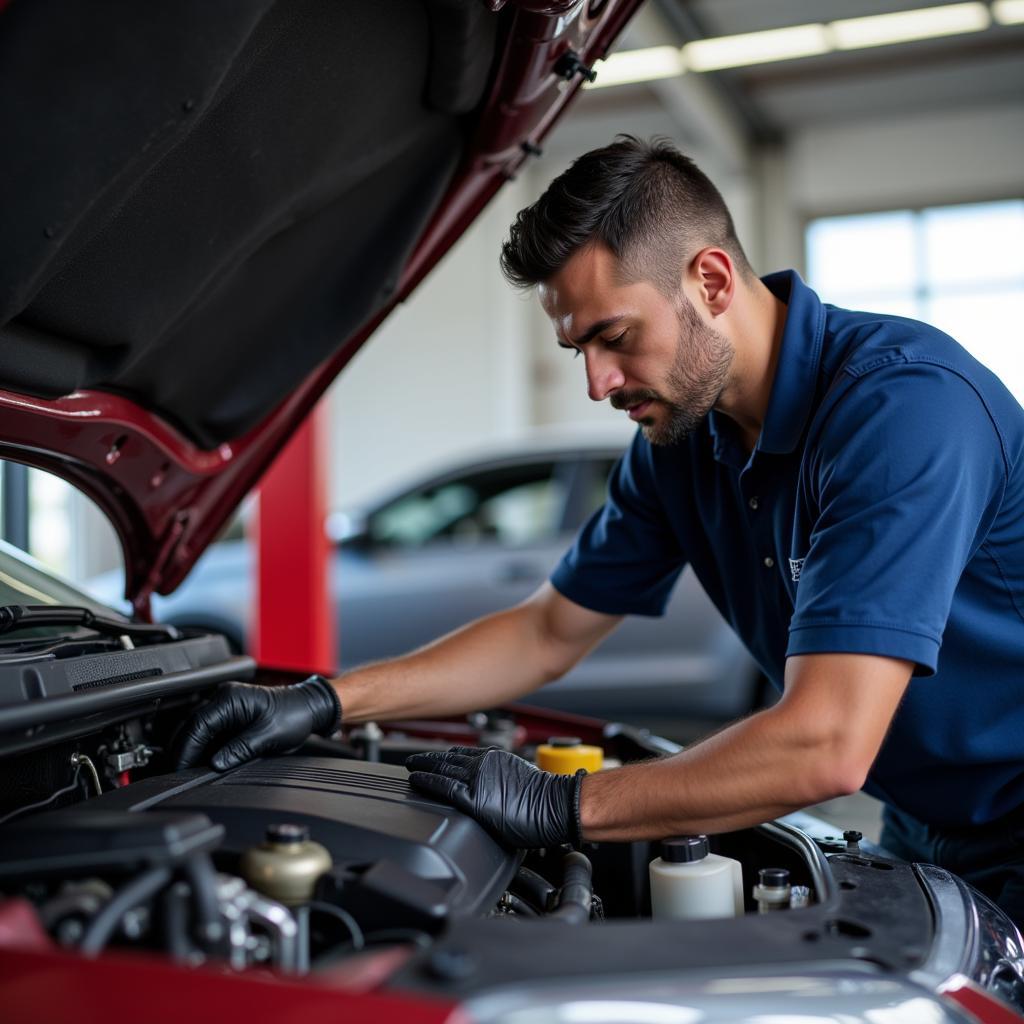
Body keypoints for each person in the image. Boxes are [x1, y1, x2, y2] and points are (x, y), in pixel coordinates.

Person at [176, 136, 1024, 926]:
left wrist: (567, 809)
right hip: (922, 818)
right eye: (576, 347)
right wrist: (324, 699)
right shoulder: (681, 445)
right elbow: (547, 630)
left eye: (614, 338)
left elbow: (826, 744)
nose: (596, 384)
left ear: (713, 282)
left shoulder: (905, 411)